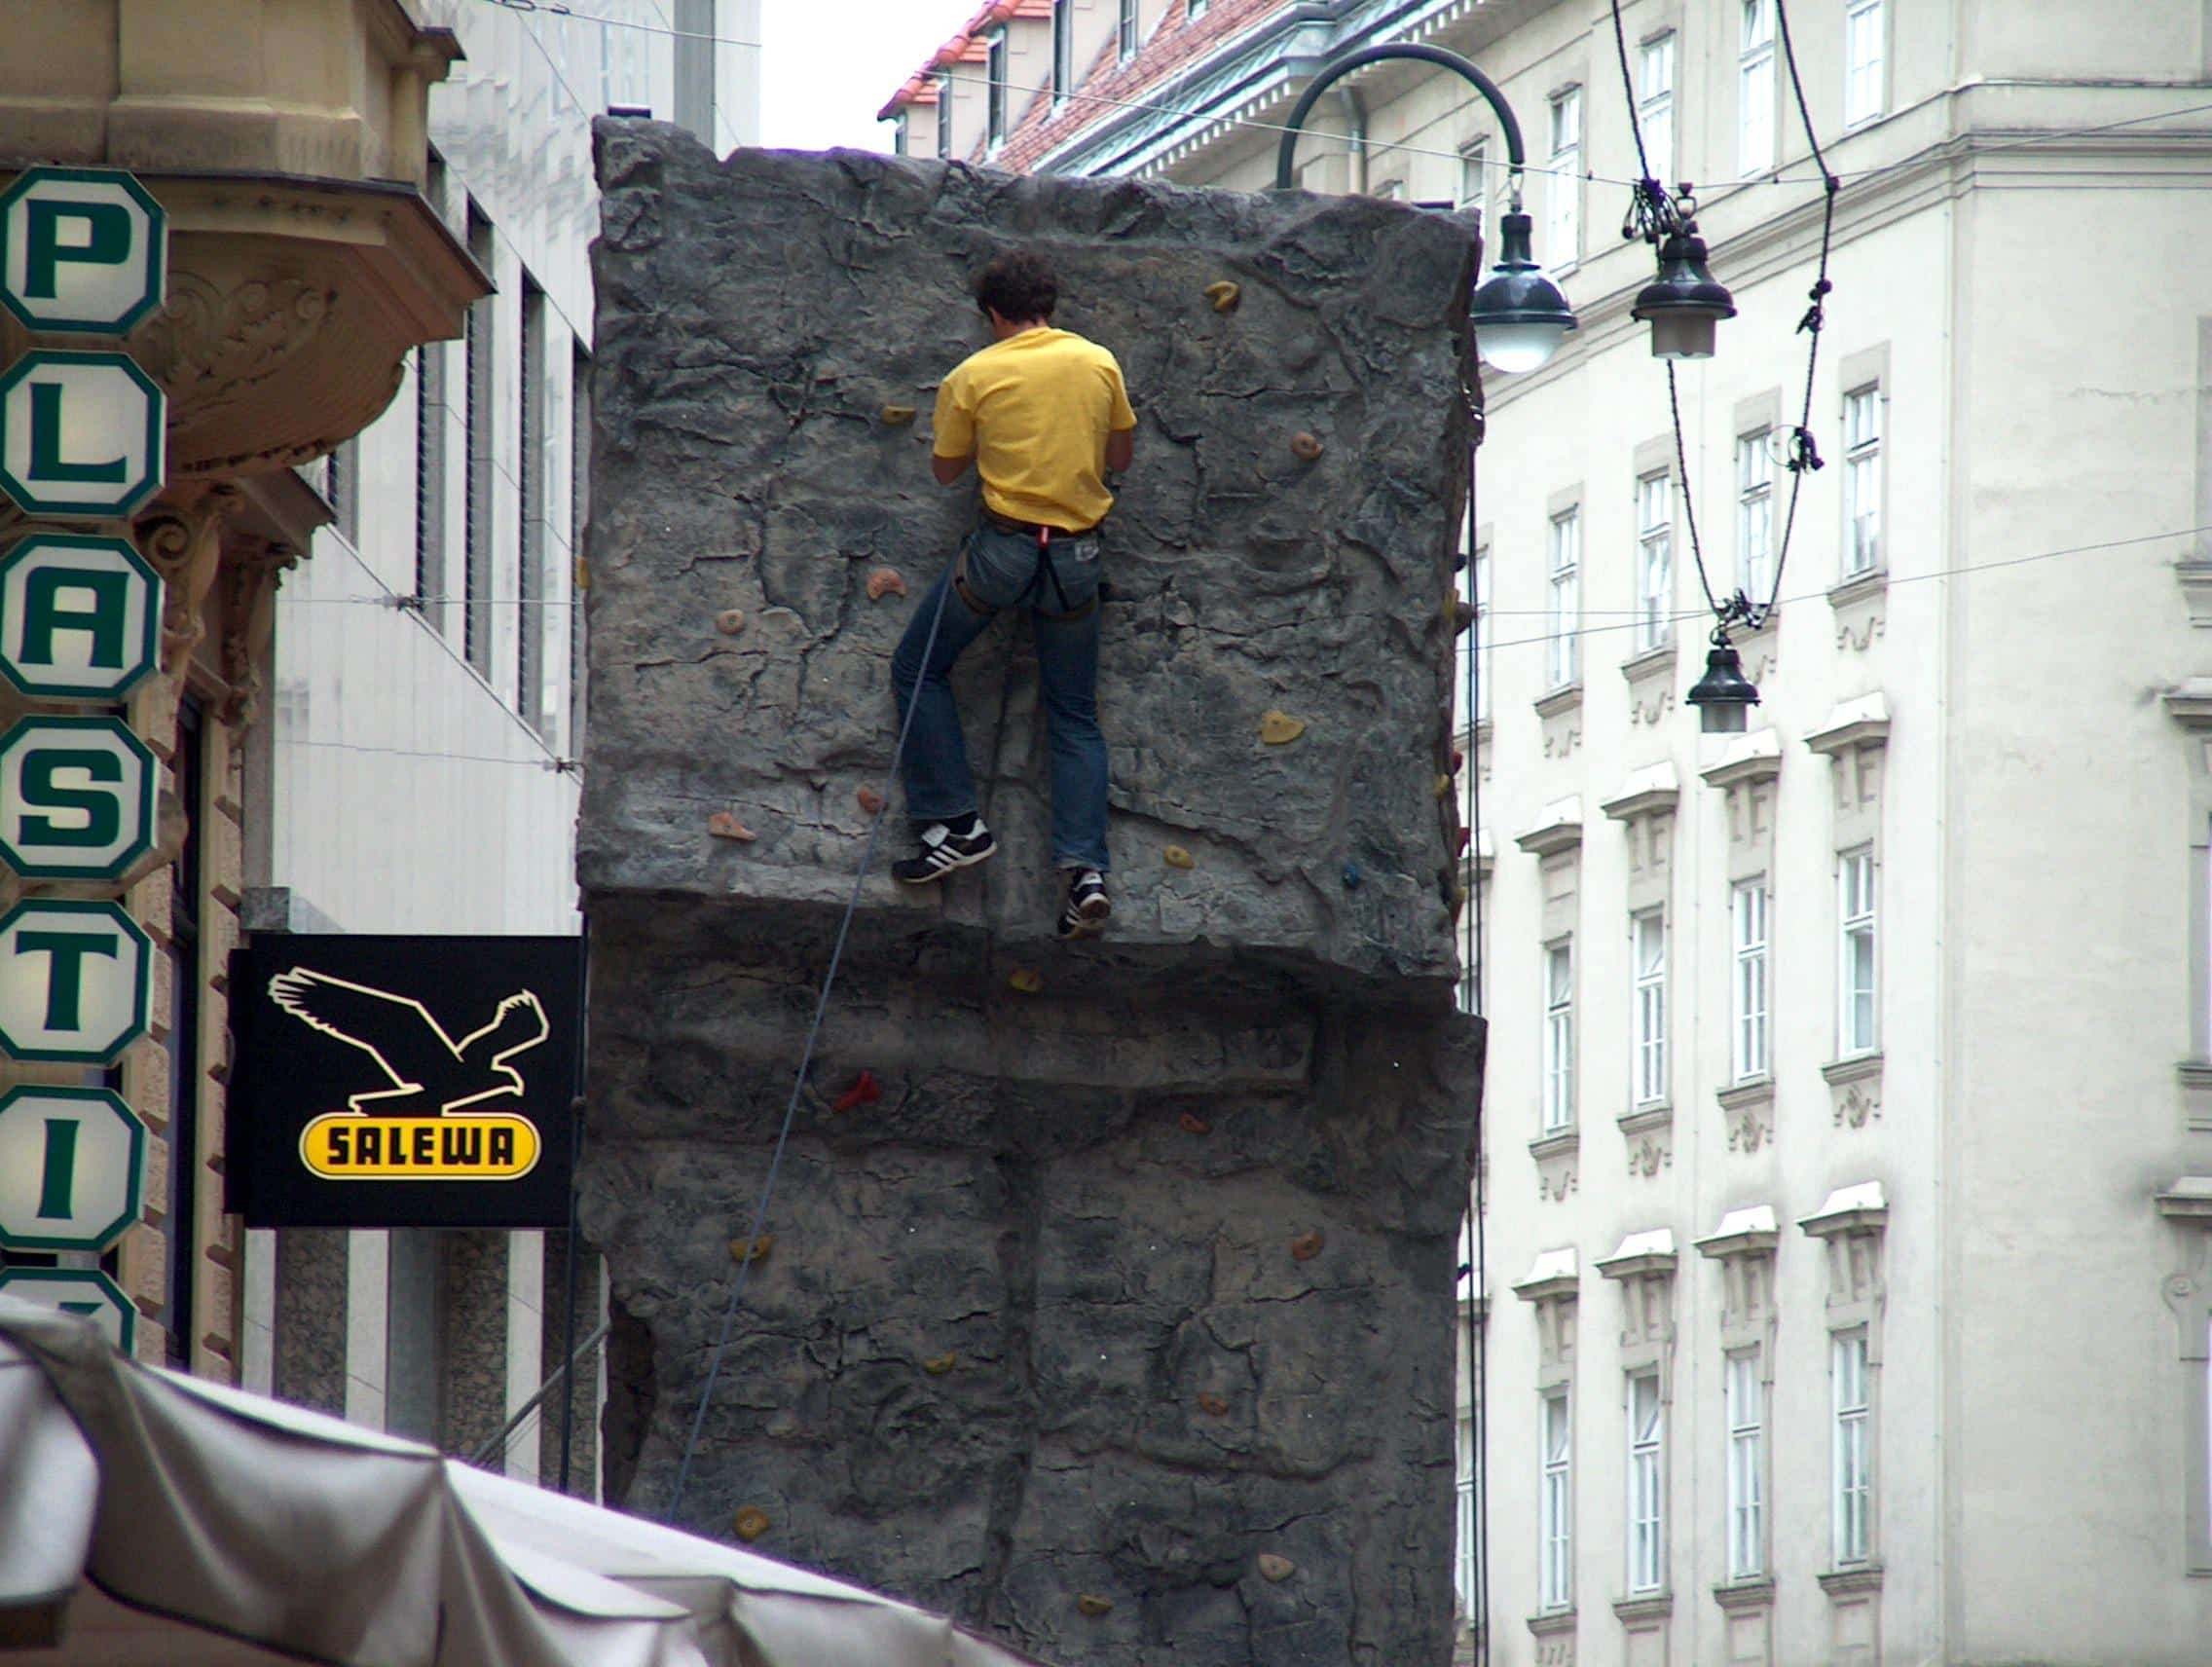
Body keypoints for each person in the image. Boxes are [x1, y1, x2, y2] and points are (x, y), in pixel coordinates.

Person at [889, 250, 1136, 941]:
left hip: (1002, 553)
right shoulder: (1099, 363)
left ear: (994, 314)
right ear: (1049, 305)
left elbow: (944, 473)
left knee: (917, 667)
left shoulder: (975, 374)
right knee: (1073, 716)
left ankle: (956, 824)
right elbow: (1120, 459)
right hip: (1077, 561)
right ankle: (1085, 874)